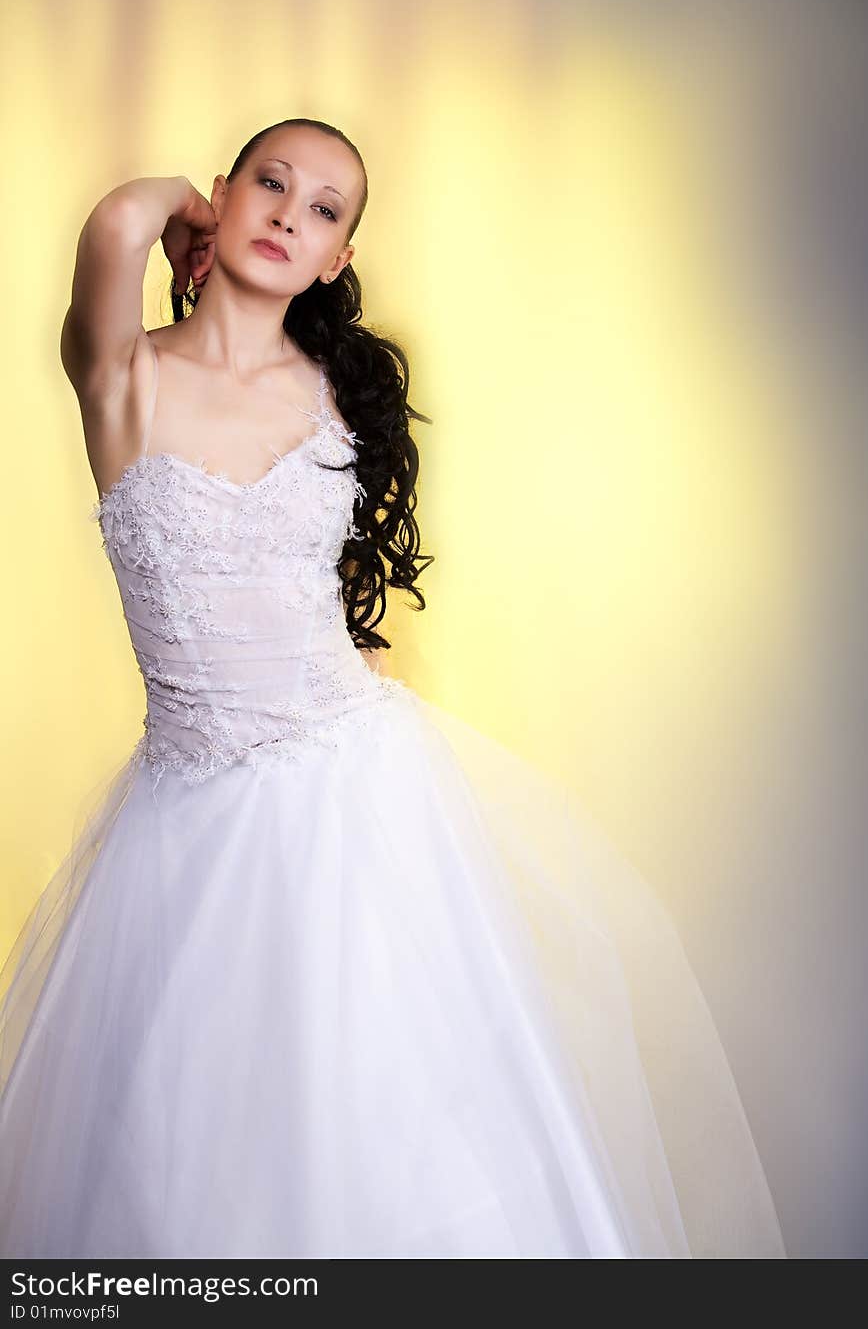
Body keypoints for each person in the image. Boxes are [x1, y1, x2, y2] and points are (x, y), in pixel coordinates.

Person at [0, 118, 787, 1259]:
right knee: (188, 1158)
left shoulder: (333, 395)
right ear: (220, 199)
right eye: (267, 185)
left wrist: (213, 209)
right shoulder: (122, 379)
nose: (286, 215)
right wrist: (179, 207)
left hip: (354, 792)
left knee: (396, 1117)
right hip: (184, 822)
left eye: (323, 209)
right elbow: (118, 221)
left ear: (337, 261)